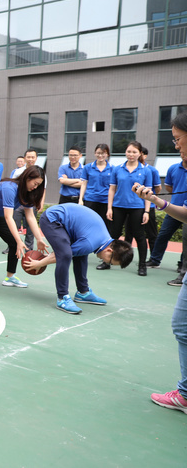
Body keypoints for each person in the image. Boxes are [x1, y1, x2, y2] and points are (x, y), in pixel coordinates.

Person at [130, 111, 187, 414]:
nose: (176, 146)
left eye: (178, 139)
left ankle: (186, 395)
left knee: (182, 325)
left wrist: (155, 202)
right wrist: (156, 201)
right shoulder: (178, 169)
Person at [23, 203, 133, 314]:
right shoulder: (90, 243)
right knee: (66, 255)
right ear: (109, 251)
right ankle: (62, 297)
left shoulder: (102, 238)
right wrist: (39, 263)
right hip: (51, 219)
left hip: (67, 223)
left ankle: (83, 292)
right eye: (110, 262)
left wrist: (43, 261)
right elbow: (62, 255)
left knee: (81, 253)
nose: (106, 262)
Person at [0, 166, 48, 296]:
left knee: (14, 243)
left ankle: (10, 277)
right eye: (35, 183)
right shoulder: (9, 187)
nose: (35, 187)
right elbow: (8, 217)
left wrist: (39, 239)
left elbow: (30, 216)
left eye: (38, 185)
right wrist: (19, 240)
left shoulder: (27, 193)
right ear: (27, 178)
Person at [107, 141, 151, 276]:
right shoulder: (117, 169)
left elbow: (148, 193)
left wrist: (147, 211)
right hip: (118, 206)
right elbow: (112, 189)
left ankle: (142, 266)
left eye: (134, 152)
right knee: (113, 235)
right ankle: (107, 261)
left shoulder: (146, 170)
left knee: (139, 236)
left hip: (137, 207)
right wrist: (109, 208)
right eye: (128, 151)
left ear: (140, 154)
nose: (131, 154)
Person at [147, 155, 187, 274]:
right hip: (173, 208)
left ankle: (182, 265)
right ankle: (155, 260)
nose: (183, 154)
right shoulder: (173, 168)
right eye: (182, 152)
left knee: (186, 240)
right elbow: (169, 186)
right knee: (163, 234)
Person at [79, 144, 113, 250]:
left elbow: (113, 187)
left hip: (105, 201)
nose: (100, 155)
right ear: (95, 153)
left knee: (105, 226)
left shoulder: (113, 168)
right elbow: (84, 184)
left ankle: (103, 247)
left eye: (103, 153)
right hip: (90, 199)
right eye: (98, 153)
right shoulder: (88, 167)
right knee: (88, 224)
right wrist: (80, 199)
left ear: (107, 154)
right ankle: (86, 246)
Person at [139, 147, 162, 254]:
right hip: (135, 207)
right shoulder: (130, 169)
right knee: (130, 234)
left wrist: (152, 198)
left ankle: (154, 257)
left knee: (151, 234)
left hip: (149, 207)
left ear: (145, 155)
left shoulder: (152, 170)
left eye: (141, 154)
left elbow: (158, 188)